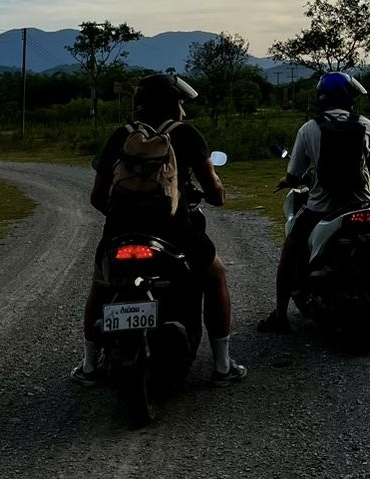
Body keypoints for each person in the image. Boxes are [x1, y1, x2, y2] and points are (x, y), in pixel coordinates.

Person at [70, 72, 246, 387]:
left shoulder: (120, 135)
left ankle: (88, 366)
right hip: (176, 234)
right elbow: (215, 194)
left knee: (101, 283)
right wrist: (218, 191)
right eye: (181, 102)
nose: (184, 109)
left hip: (120, 234)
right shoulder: (187, 134)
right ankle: (222, 365)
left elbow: (97, 197)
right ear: (172, 104)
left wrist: (123, 217)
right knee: (215, 276)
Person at [257, 71, 370, 334]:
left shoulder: (309, 128)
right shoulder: (366, 124)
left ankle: (281, 315)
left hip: (320, 209)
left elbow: (294, 174)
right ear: (347, 97)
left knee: (289, 252)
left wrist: (289, 180)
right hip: (361, 205)